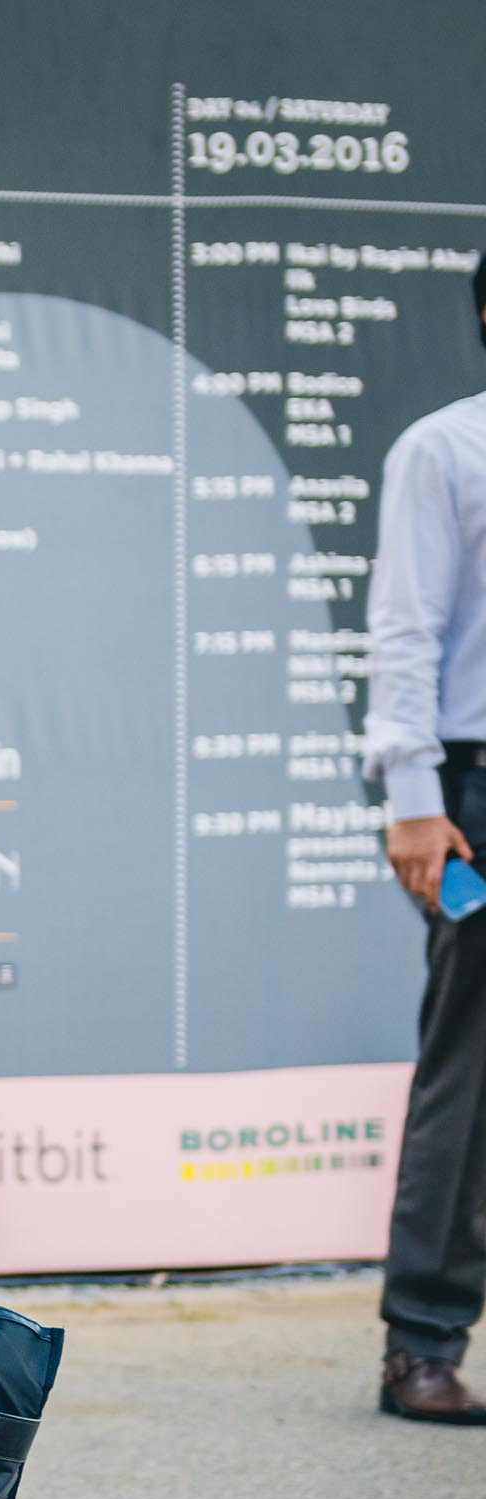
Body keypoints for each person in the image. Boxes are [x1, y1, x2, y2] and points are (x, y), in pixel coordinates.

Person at [363, 252, 486, 1426]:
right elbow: (403, 628)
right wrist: (411, 792)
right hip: (472, 791)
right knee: (472, 1058)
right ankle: (421, 1339)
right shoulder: (444, 449)